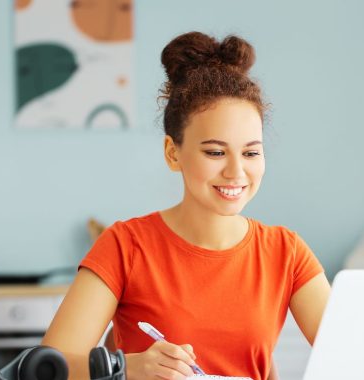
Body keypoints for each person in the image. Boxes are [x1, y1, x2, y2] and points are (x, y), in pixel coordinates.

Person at [42, 31, 331, 380]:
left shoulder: (288, 253)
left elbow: (357, 356)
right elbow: (47, 368)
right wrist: (126, 368)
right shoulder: (125, 246)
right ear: (172, 152)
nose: (236, 172)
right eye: (215, 152)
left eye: (251, 152)